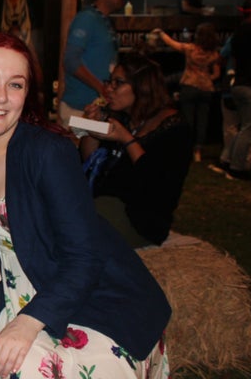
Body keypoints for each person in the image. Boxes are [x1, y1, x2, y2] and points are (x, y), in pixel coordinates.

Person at [0, 32, 171, 379]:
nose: (0, 97)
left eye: (15, 85)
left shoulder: (47, 153)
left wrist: (28, 322)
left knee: (21, 369)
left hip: (88, 300)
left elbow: (85, 257)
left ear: (27, 95)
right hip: (4, 296)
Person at [80, 54, 193, 247]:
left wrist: (127, 139)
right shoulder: (123, 117)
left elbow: (153, 183)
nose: (109, 89)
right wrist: (92, 129)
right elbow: (90, 161)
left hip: (141, 219)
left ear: (143, 86)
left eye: (119, 83)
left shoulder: (174, 128)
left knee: (77, 227)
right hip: (105, 202)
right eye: (110, 81)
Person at [59, 0, 128, 130]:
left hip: (97, 109)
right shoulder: (86, 18)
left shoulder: (104, 21)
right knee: (83, 151)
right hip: (78, 109)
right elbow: (70, 61)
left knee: (96, 153)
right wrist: (101, 88)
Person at [152, 23, 221, 162]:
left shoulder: (190, 49)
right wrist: (206, 77)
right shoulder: (214, 55)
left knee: (188, 120)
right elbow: (217, 74)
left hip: (189, 86)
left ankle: (187, 148)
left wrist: (161, 33)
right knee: (203, 120)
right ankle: (198, 151)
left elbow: (172, 43)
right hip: (206, 89)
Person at [219, 0, 251, 181]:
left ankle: (227, 160)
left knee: (242, 127)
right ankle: (237, 168)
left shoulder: (238, 32)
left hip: (238, 84)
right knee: (248, 130)